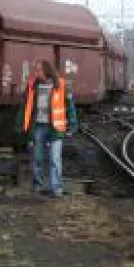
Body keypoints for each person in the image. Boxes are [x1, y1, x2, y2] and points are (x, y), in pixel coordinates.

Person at [19, 59, 78, 198]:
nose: (36, 73)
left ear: (47, 70)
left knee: (54, 159)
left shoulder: (61, 85)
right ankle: (37, 187)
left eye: (38, 70)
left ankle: (56, 189)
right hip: (38, 127)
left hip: (56, 128)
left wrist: (72, 125)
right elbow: (25, 107)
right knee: (37, 158)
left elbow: (70, 107)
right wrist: (21, 126)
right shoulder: (32, 85)